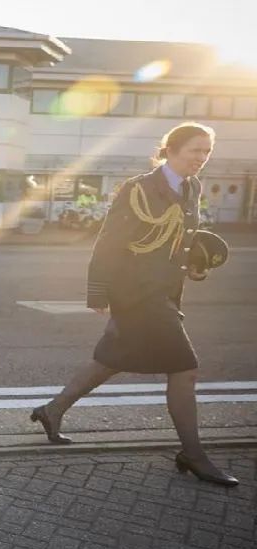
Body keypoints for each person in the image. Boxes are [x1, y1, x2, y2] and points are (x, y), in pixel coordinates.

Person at [30, 122, 237, 487]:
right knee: (185, 368)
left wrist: (193, 263)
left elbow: (180, 239)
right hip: (136, 293)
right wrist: (98, 292)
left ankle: (52, 410)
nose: (202, 158)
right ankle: (193, 453)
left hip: (165, 292)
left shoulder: (193, 187)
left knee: (110, 360)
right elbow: (108, 241)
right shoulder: (138, 188)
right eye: (195, 150)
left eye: (207, 152)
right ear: (170, 150)